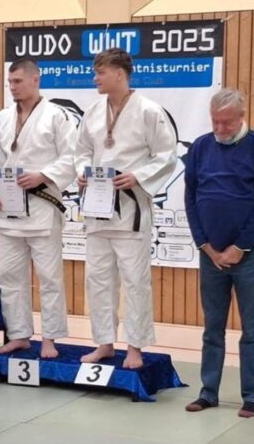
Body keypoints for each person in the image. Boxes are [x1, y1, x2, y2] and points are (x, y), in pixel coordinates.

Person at [75, 48, 177, 369]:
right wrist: (81, 171)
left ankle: (135, 346)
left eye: (100, 73)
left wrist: (139, 176)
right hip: (97, 207)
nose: (95, 79)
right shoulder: (93, 112)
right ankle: (104, 343)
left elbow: (167, 155)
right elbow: (82, 150)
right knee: (98, 279)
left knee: (135, 281)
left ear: (119, 73)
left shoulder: (149, 111)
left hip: (130, 210)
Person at [183, 88, 254, 418]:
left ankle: (252, 397)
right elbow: (191, 197)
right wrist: (205, 245)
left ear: (241, 117)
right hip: (211, 256)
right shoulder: (200, 147)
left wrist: (240, 248)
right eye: (215, 122)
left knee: (252, 330)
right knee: (212, 328)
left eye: (227, 122)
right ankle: (208, 392)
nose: (220, 129)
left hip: (248, 256)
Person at [0, 58, 77, 358]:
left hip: (43, 207)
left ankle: (50, 338)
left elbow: (72, 158)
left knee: (49, 277)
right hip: (9, 208)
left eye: (18, 81)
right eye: (10, 82)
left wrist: (43, 175)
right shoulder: (2, 118)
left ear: (36, 80)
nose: (13, 87)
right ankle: (20, 334)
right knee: (9, 275)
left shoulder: (56, 116)